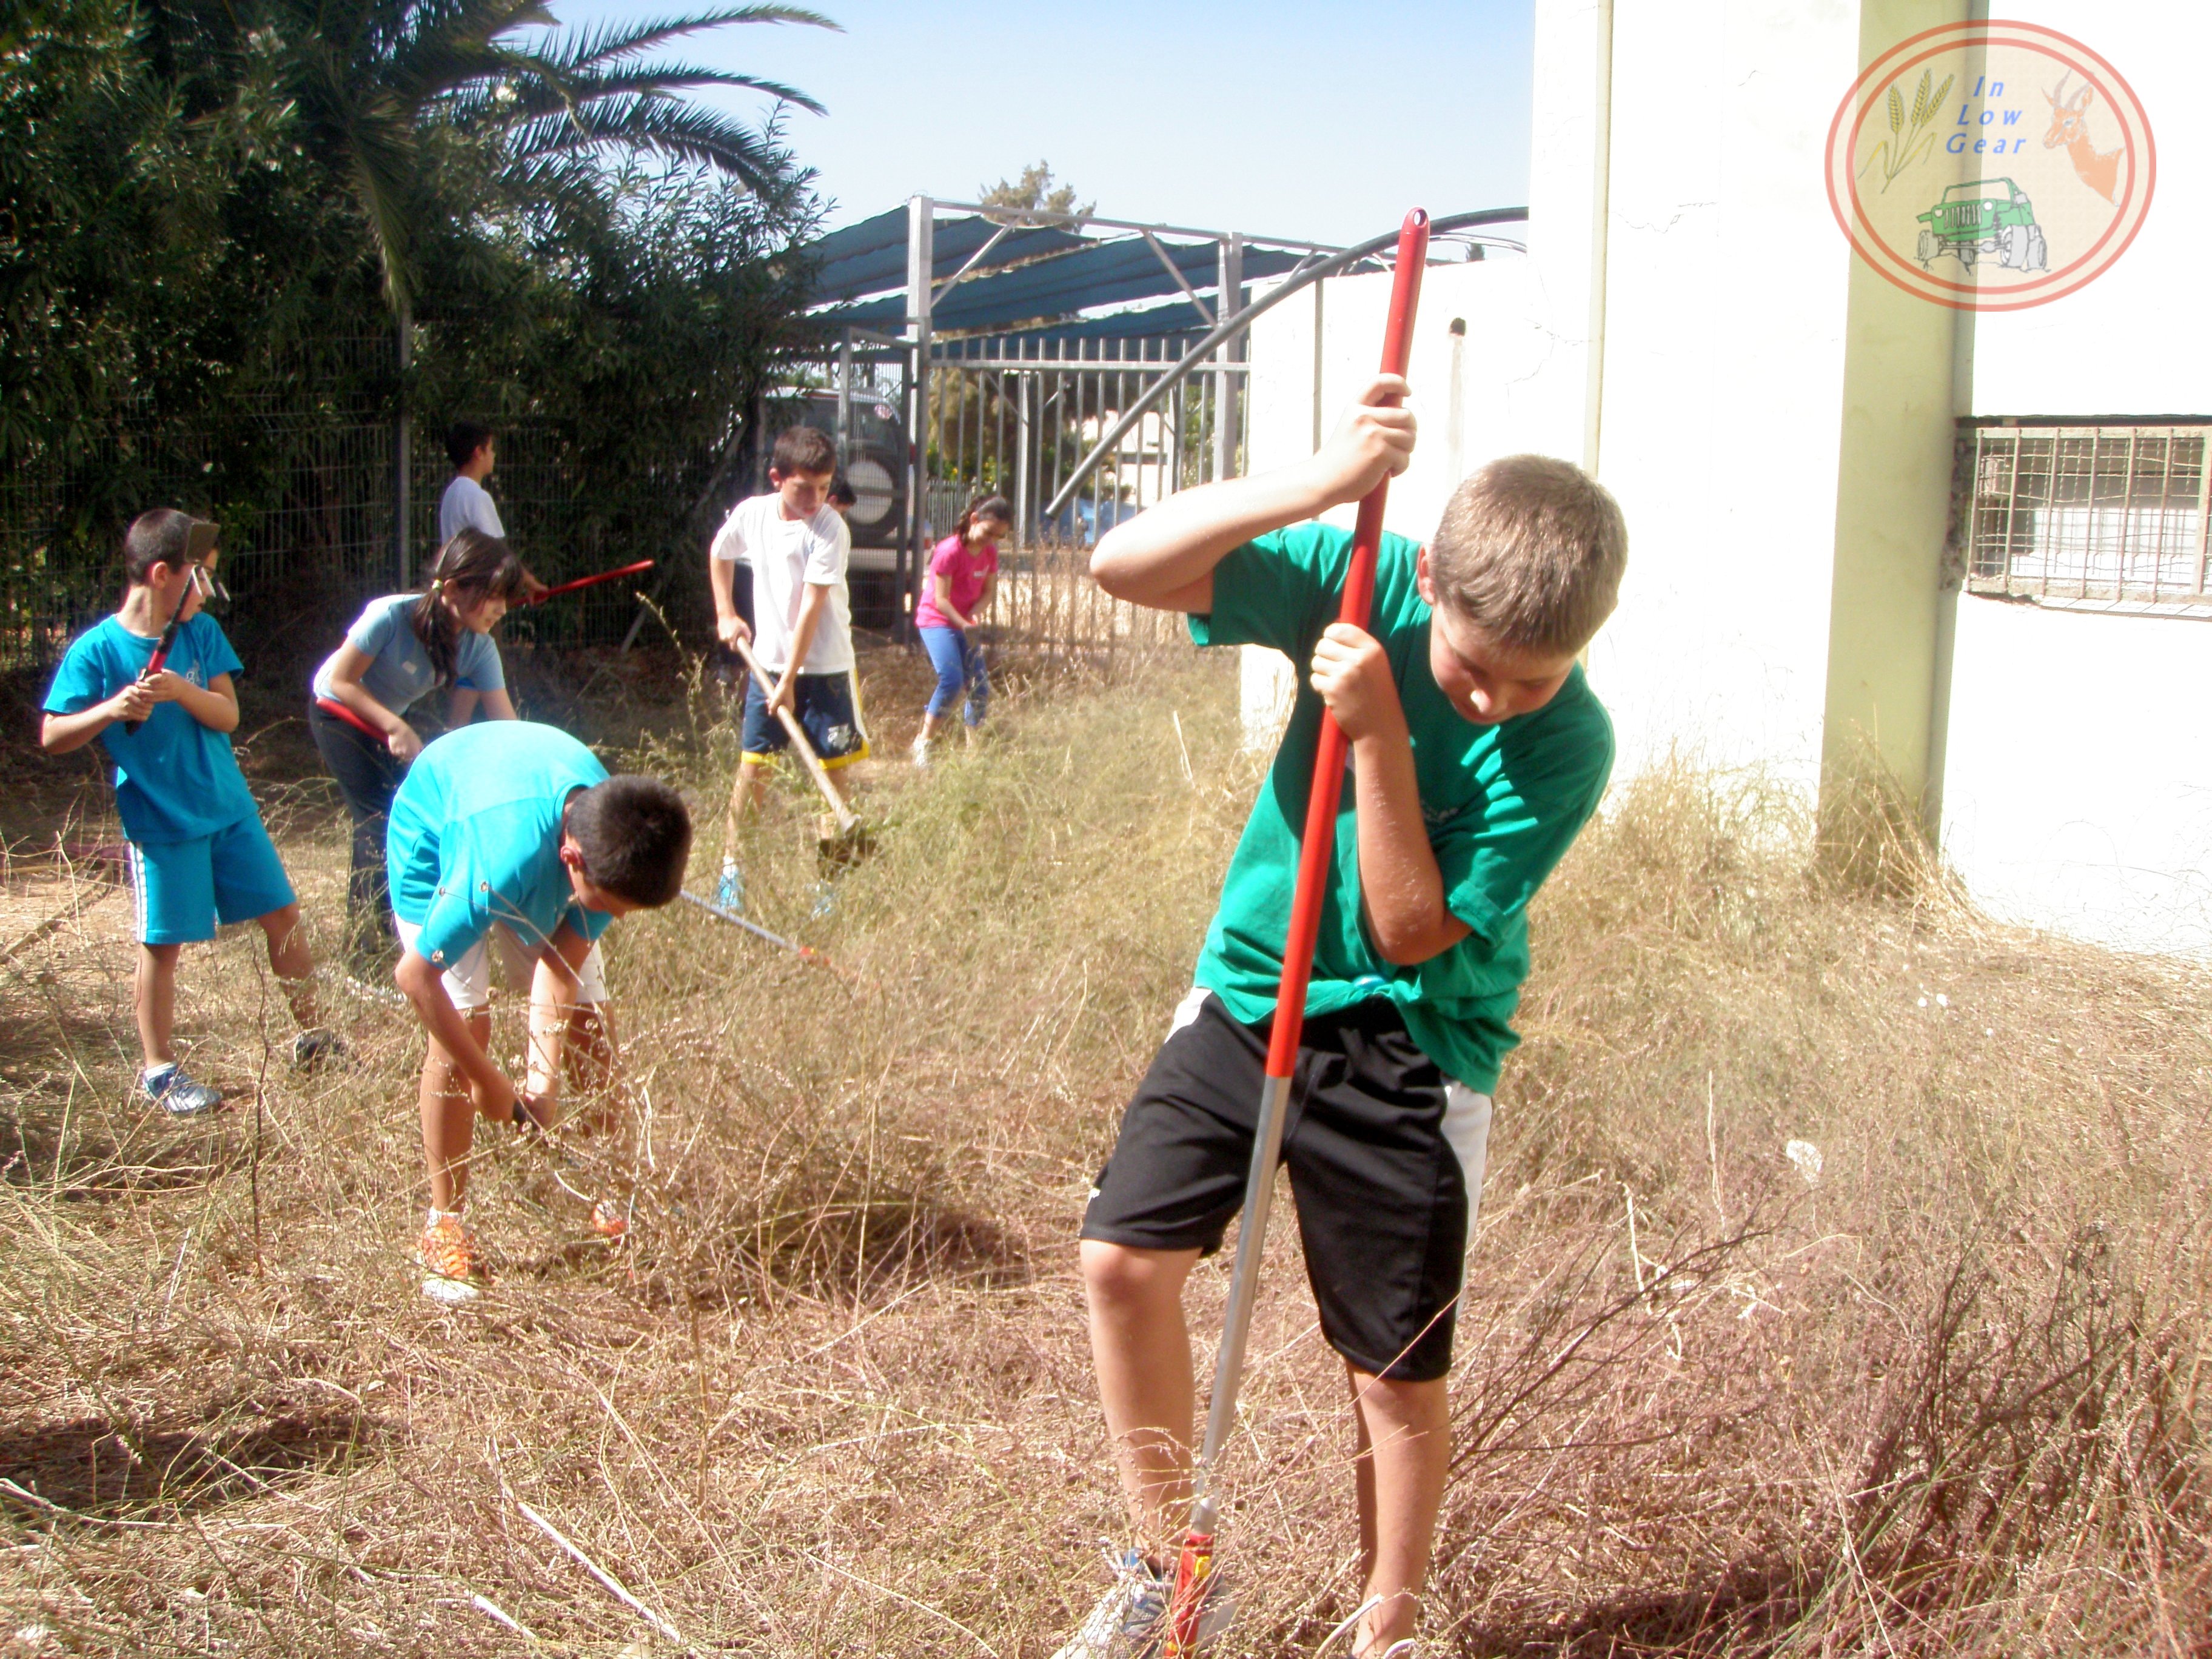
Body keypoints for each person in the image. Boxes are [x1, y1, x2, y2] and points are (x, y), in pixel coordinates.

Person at [1061, 377, 1627, 1659]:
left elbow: (1410, 933)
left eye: (1532, 684)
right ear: (1431, 578)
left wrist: (1378, 730)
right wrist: (1320, 481)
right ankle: (1169, 1577)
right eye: (1475, 671)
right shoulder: (1355, 574)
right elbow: (1120, 566)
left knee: (1391, 1364)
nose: (1494, 705)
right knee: (1120, 1260)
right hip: (1254, 985)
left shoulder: (1569, 746)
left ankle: (1390, 1631)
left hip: (1411, 1040)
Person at [41, 509, 342, 1116]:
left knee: (282, 914)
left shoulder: (201, 636)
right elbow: (53, 735)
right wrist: (109, 709)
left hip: (227, 808)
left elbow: (228, 716)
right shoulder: (96, 651)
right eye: (200, 578)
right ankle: (160, 1072)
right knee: (163, 946)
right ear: (160, 574)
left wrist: (182, 691)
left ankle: (314, 1040)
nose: (208, 592)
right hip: (162, 823)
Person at [383, 719, 691, 1298]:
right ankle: (443, 1227)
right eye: (611, 907)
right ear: (571, 858)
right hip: (438, 837)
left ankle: (614, 1197)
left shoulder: (615, 832)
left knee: (590, 1030)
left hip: (519, 823)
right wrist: (488, 1078)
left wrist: (539, 1083)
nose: (616, 919)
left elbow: (558, 965)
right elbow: (415, 977)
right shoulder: (496, 865)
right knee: (463, 1026)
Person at [309, 529, 527, 976]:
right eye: (494, 596)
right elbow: (342, 683)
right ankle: (364, 949)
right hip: (338, 710)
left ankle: (390, 932)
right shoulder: (389, 616)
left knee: (404, 817)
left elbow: (505, 727)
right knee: (376, 820)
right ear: (452, 589)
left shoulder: (478, 647)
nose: (503, 609)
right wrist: (395, 726)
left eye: (507, 597)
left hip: (387, 720)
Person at [706, 426, 868, 897]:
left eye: (824, 487)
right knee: (753, 770)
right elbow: (720, 553)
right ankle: (732, 876)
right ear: (777, 478)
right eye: (804, 487)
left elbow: (811, 610)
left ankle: (830, 887)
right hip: (769, 667)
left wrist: (792, 679)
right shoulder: (752, 515)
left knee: (831, 775)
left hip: (826, 669)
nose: (816, 497)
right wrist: (726, 614)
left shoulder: (830, 529)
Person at [910, 493, 1007, 766]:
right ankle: (924, 742)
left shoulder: (989, 553)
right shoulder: (949, 550)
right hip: (937, 620)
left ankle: (973, 753)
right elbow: (941, 600)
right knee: (951, 680)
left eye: (999, 536)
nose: (992, 540)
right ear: (974, 519)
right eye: (989, 532)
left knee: (979, 686)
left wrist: (973, 616)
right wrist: (963, 623)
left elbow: (988, 592)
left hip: (966, 623)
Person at [438, 420, 545, 597]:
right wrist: (529, 582)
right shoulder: (477, 496)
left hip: (457, 591)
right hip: (477, 595)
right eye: (491, 449)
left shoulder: (451, 493)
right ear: (479, 452)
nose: (494, 455)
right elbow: (498, 551)